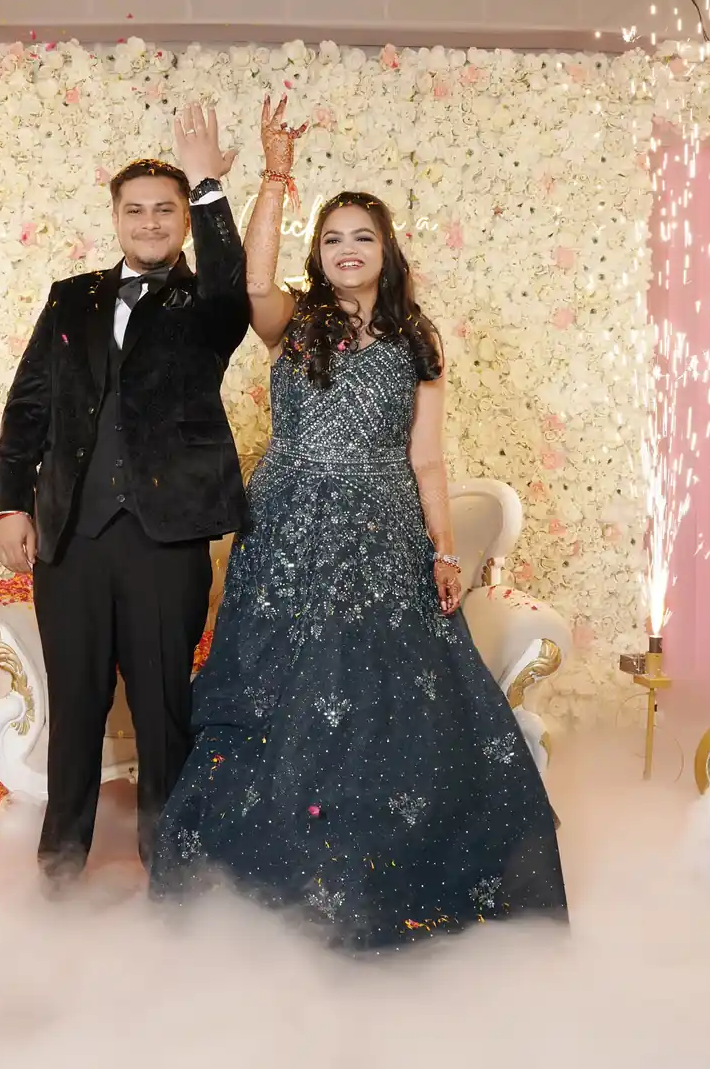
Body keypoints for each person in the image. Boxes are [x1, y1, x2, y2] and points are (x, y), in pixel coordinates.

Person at [149, 98, 569, 950]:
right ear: (321, 252)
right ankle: (268, 879)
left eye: (362, 237)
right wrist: (271, 181)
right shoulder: (294, 325)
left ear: (386, 253)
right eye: (333, 237)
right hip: (290, 525)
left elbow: (428, 460)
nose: (347, 249)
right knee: (283, 688)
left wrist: (444, 551)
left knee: (389, 703)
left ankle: (382, 871)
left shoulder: (418, 339)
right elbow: (254, 285)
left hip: (383, 533)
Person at [0, 103, 251, 889]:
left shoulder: (208, 306)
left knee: (164, 710)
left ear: (181, 221)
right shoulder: (70, 298)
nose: (148, 221)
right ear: (114, 218)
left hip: (165, 538)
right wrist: (12, 505)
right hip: (69, 533)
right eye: (134, 209)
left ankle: (166, 862)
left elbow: (234, 282)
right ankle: (59, 866)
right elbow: (28, 406)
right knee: (75, 705)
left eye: (164, 209)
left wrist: (209, 186)